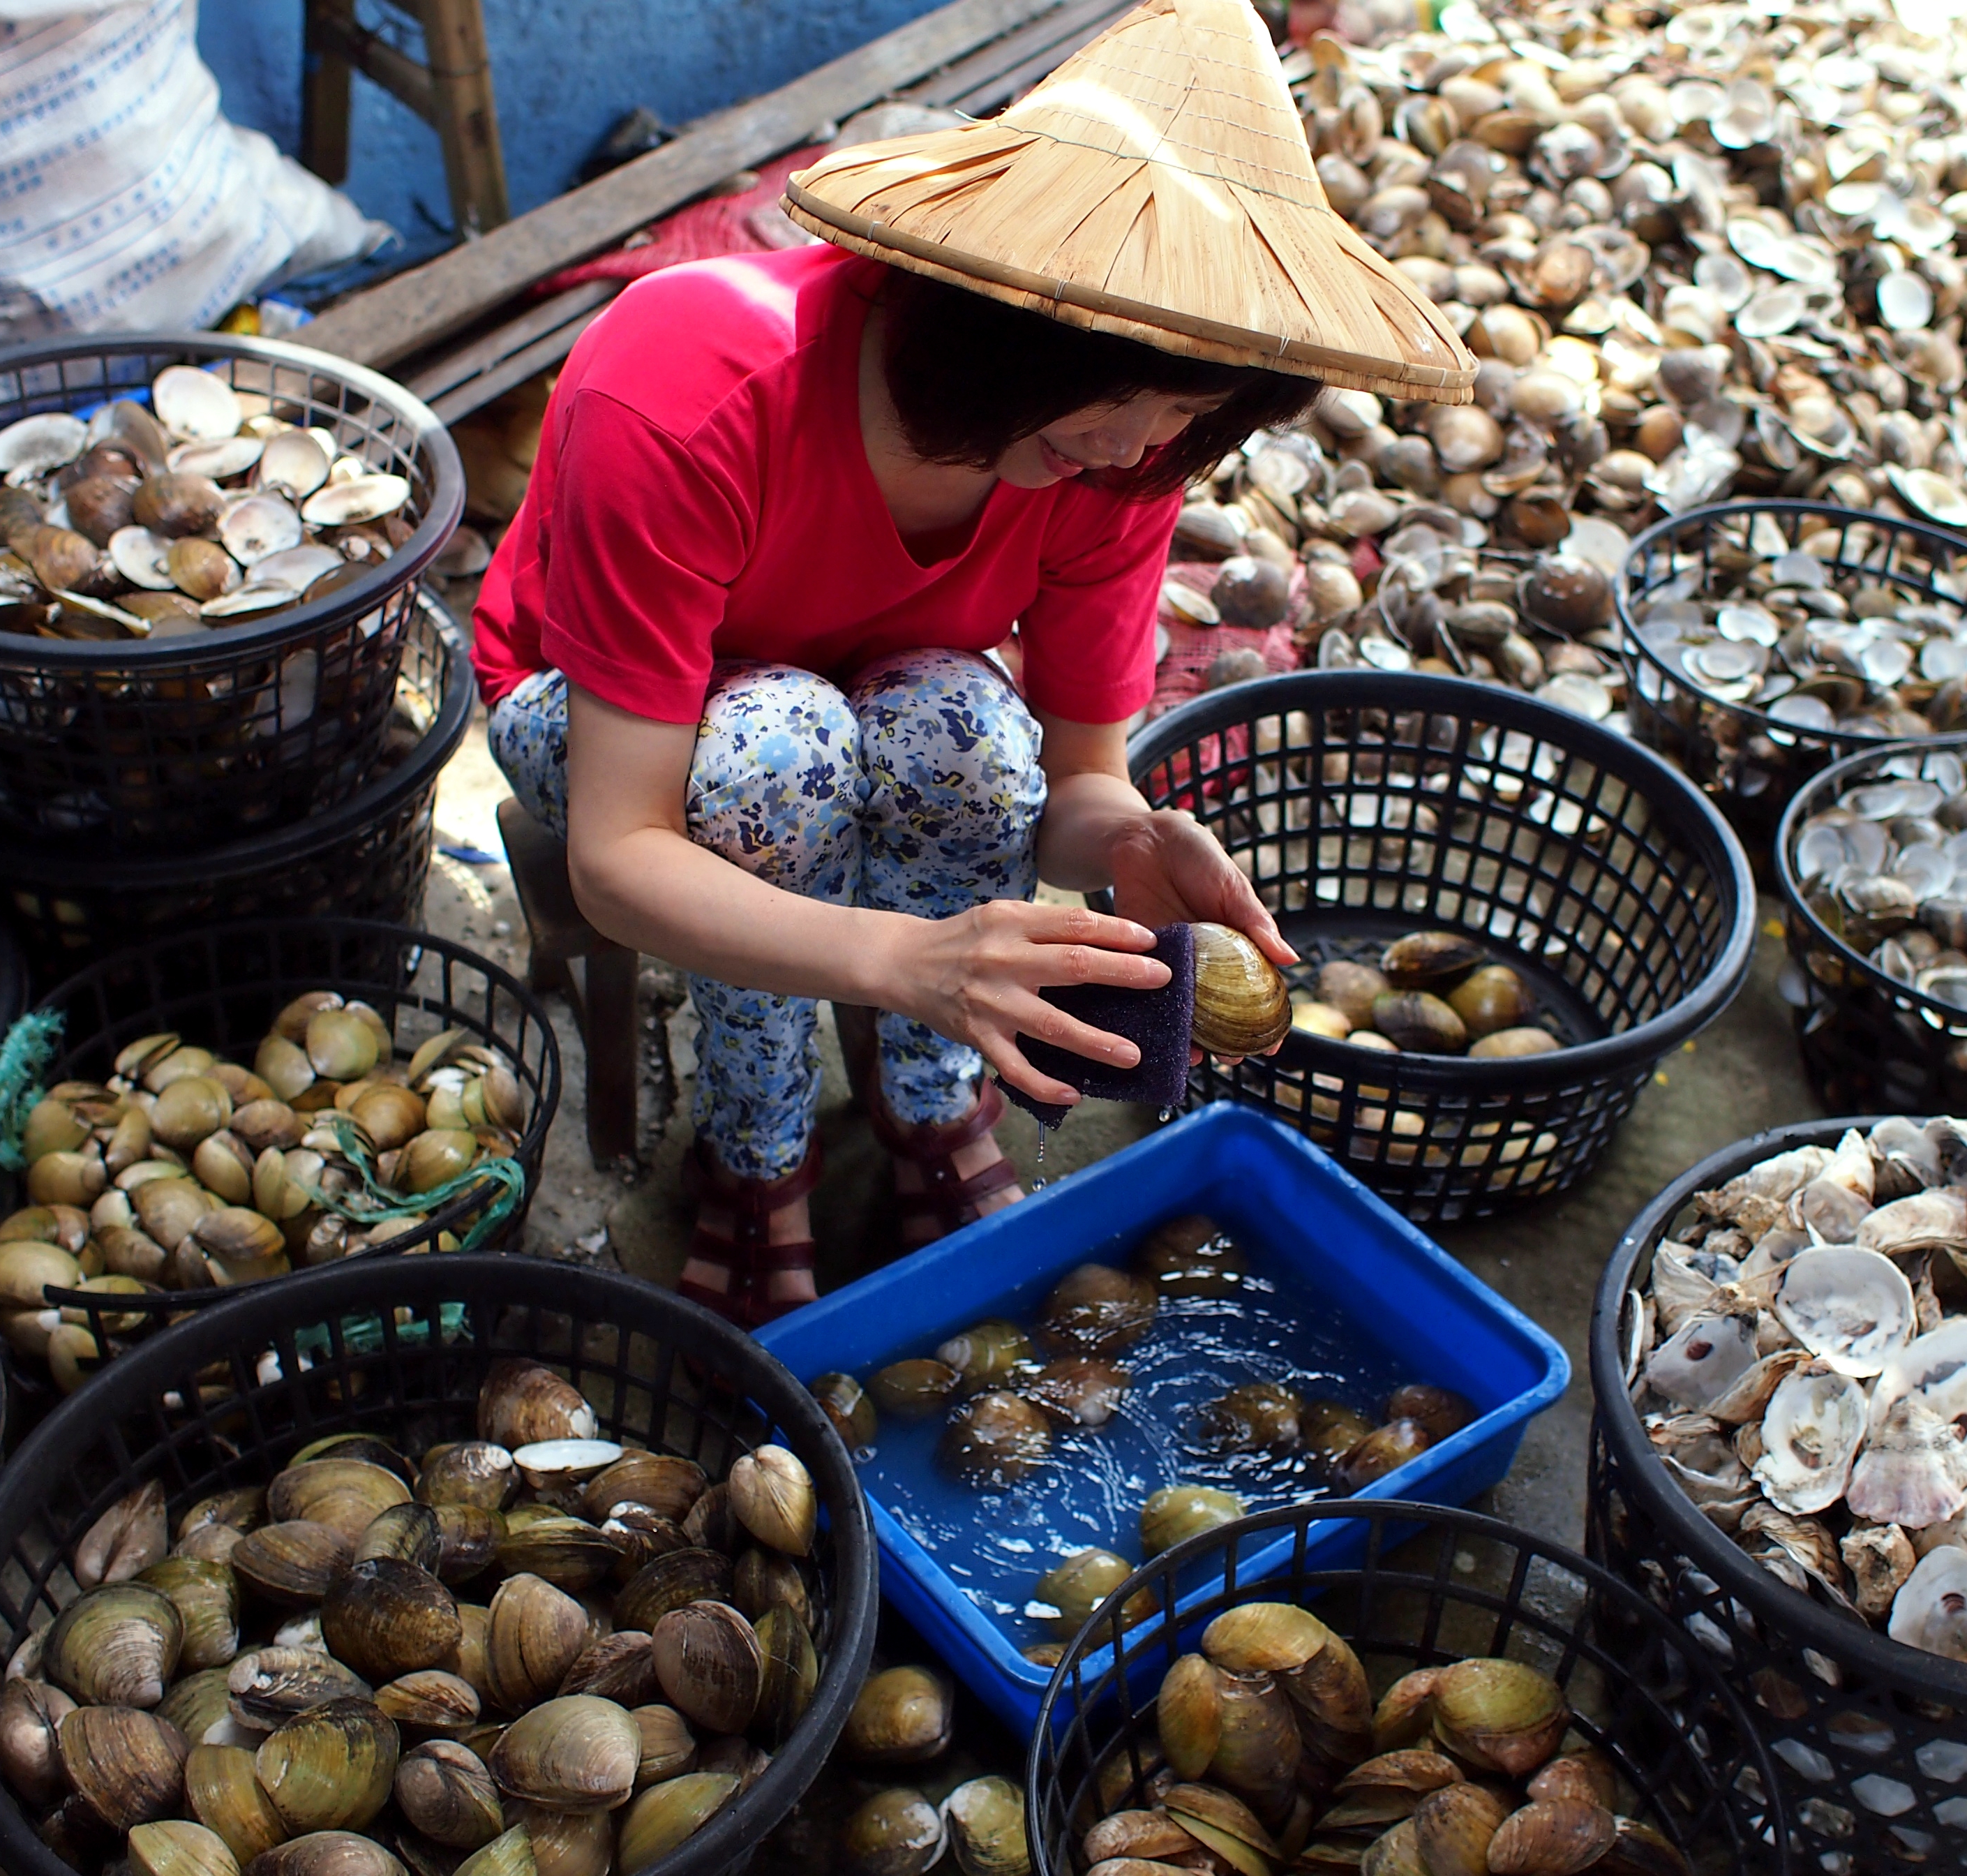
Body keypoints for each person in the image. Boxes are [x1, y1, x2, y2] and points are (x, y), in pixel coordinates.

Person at [472, 0, 1474, 1325]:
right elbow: (617, 853)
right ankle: (755, 1152)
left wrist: (1128, 836)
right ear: (1013, 326)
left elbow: (1070, 784)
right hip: (602, 723)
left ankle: (926, 1100)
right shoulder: (687, 383)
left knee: (967, 728)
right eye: (1130, 393)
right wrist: (906, 958)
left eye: (1193, 417)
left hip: (862, 703)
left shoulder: (1125, 464)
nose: (1142, 449)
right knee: (782, 747)